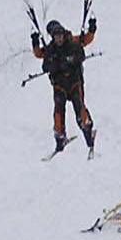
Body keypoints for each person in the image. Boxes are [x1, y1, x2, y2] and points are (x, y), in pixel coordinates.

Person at [32, 16, 98, 156]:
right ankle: (60, 138)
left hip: (74, 82)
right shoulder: (51, 50)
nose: (59, 39)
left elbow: (86, 40)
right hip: (60, 86)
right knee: (58, 112)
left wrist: (92, 28)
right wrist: (35, 41)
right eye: (55, 36)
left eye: (60, 35)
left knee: (79, 109)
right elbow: (40, 56)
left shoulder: (72, 42)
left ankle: (88, 132)